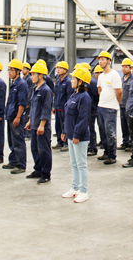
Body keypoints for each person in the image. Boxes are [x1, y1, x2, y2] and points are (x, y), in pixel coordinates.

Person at [61, 67, 92, 203]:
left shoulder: (84, 97)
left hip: (79, 137)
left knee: (81, 164)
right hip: (70, 134)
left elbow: (83, 118)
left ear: (81, 82)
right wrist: (64, 131)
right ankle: (75, 188)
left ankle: (83, 191)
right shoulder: (74, 95)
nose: (71, 80)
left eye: (74, 78)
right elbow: (68, 115)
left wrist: (77, 135)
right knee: (74, 163)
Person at [25, 61, 53, 184]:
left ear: (40, 75)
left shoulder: (46, 90)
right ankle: (38, 169)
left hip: (42, 126)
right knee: (35, 148)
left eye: (33, 74)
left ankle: (46, 174)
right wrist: (30, 121)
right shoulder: (35, 88)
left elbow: (46, 109)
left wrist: (42, 125)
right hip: (34, 124)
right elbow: (33, 107)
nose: (31, 77)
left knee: (44, 150)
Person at [96, 51, 122, 165]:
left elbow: (119, 91)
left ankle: (112, 155)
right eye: (99, 60)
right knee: (102, 131)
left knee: (110, 132)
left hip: (110, 108)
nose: (100, 62)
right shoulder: (101, 76)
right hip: (101, 106)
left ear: (109, 61)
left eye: (103, 59)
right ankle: (106, 152)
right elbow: (99, 89)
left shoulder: (114, 74)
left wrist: (117, 103)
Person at [3, 59, 29, 174]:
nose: (9, 72)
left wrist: (18, 117)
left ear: (18, 71)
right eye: (9, 70)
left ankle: (21, 165)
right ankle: (13, 161)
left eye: (11, 70)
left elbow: (22, 103)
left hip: (16, 117)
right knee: (11, 140)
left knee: (18, 141)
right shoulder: (13, 83)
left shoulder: (21, 84)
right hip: (10, 116)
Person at [53, 61, 73, 152]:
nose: (58, 70)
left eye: (60, 68)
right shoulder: (58, 81)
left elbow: (69, 96)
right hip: (58, 107)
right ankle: (59, 141)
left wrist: (68, 107)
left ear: (65, 70)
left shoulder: (68, 82)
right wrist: (54, 106)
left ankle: (66, 143)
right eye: (57, 68)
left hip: (64, 108)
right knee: (58, 125)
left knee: (65, 126)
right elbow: (56, 94)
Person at [118, 58, 133, 151]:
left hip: (130, 107)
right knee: (123, 125)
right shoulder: (121, 79)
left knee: (130, 126)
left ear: (130, 68)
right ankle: (125, 142)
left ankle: (131, 143)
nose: (123, 68)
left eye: (126, 67)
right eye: (122, 66)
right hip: (122, 106)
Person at [93, 64, 104, 149]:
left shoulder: (104, 83)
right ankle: (102, 141)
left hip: (102, 106)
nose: (97, 75)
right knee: (100, 125)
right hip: (97, 106)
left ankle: (104, 142)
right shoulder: (95, 82)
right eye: (96, 73)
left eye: (99, 73)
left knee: (103, 126)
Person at [22, 61, 33, 141]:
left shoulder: (29, 79)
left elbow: (30, 91)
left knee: (27, 117)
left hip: (27, 102)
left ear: (28, 70)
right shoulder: (24, 79)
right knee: (24, 118)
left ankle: (28, 134)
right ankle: (25, 133)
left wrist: (28, 102)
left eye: (24, 69)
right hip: (24, 101)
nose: (22, 70)